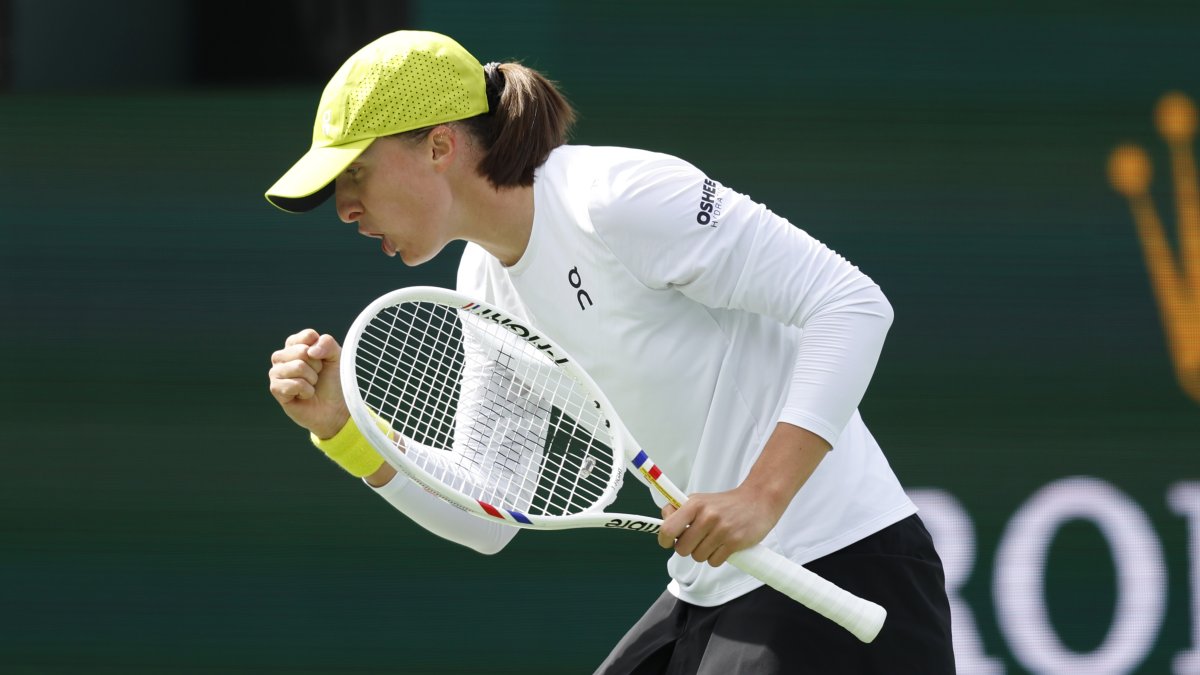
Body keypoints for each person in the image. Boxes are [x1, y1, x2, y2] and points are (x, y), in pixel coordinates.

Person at [265, 30, 954, 673]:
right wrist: (344, 430)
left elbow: (851, 302)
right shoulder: (481, 283)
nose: (345, 207)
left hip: (842, 567)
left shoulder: (615, 199)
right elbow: (488, 516)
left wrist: (761, 495)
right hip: (718, 591)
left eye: (356, 172)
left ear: (439, 147)